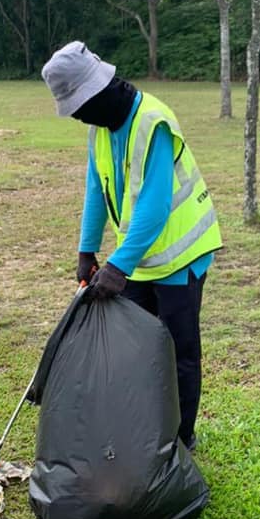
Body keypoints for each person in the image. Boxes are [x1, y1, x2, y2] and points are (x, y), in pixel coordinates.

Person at [41, 40, 223, 453]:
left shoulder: (153, 123)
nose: (79, 117)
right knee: (137, 352)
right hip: (139, 260)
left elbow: (155, 206)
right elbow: (96, 188)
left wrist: (118, 266)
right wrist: (87, 251)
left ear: (97, 91)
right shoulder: (101, 130)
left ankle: (180, 442)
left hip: (181, 256)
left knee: (177, 353)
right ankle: (145, 434)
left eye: (80, 107)